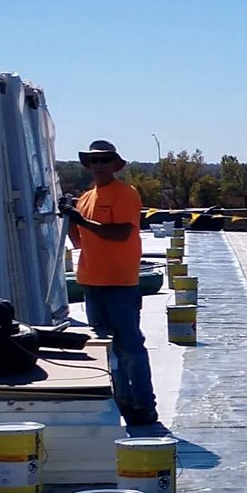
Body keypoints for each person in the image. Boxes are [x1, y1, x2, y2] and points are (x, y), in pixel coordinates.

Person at [66, 139, 160, 429]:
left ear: (114, 165)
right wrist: (71, 218)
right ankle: (124, 403)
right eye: (94, 160)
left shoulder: (125, 194)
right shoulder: (86, 197)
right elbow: (79, 241)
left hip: (119, 282)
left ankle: (144, 405)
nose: (99, 165)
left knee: (130, 346)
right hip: (92, 283)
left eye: (104, 160)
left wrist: (81, 219)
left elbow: (119, 233)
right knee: (107, 349)